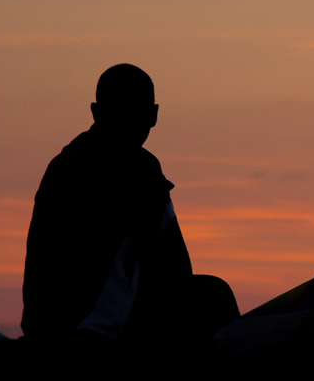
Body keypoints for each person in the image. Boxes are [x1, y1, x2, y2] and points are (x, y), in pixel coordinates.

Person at [21, 63, 238, 355]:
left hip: (48, 323)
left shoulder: (65, 164)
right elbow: (172, 263)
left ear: (95, 112)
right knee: (214, 296)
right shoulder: (141, 169)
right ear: (153, 115)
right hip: (96, 327)